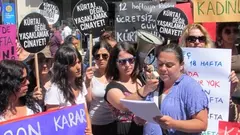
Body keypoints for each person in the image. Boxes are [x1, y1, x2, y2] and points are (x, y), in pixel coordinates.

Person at [180, 23, 240, 122]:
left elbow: (230, 118)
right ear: (185, 42)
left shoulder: (218, 64)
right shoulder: (178, 66)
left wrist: (229, 92)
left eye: (201, 39)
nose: (197, 42)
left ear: (206, 41)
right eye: (192, 39)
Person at [150, 43, 208, 134]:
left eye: (169, 65)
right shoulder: (154, 84)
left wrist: (173, 124)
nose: (163, 68)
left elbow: (202, 124)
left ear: (181, 65)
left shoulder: (190, 87)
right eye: (160, 64)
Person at [104, 41, 159, 135]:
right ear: (115, 63)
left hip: (145, 130)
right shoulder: (112, 87)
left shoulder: (140, 80)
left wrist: (151, 78)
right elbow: (123, 105)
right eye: (122, 61)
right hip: (123, 131)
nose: (128, 65)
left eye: (131, 60)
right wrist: (145, 89)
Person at [44, 45, 92, 134]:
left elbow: (85, 112)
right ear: (63, 67)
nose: (78, 67)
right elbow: (52, 122)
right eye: (73, 64)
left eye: (79, 62)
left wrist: (90, 131)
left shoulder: (80, 84)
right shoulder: (54, 90)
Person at [85, 42, 117, 135]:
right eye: (97, 56)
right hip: (96, 123)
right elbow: (88, 101)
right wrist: (87, 82)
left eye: (104, 56)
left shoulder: (116, 74)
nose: (101, 59)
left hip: (114, 122)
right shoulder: (90, 76)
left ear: (110, 56)